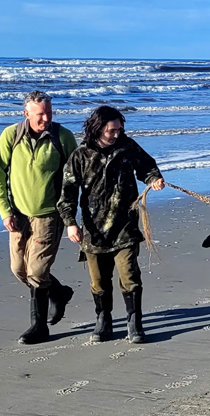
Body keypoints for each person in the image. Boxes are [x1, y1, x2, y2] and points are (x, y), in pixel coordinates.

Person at [58, 105, 165, 343]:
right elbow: (67, 193)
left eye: (119, 129)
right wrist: (70, 223)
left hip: (125, 225)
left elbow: (147, 166)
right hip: (93, 230)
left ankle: (134, 324)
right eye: (111, 130)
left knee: (129, 275)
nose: (117, 134)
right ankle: (103, 321)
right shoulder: (80, 156)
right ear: (98, 128)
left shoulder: (127, 147)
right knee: (99, 281)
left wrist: (154, 178)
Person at [0, 90, 79, 344]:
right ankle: (59, 293)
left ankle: (39, 327)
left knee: (38, 271)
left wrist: (71, 217)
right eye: (40, 114)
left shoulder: (62, 137)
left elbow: (75, 178)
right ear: (26, 113)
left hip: (49, 216)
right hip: (18, 215)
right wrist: (5, 211)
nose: (45, 118)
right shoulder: (11, 135)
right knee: (19, 269)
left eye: (49, 113)